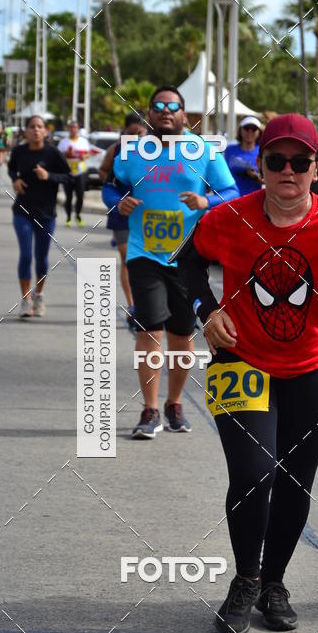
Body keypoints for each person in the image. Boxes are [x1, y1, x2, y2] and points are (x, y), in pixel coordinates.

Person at [174, 113, 318, 633]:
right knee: (252, 475)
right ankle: (245, 579)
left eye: (299, 161)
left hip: (314, 369)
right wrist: (207, 311)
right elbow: (184, 264)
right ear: (260, 167)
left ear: (315, 168)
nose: (288, 170)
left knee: (294, 482)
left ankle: (274, 583)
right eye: (276, 161)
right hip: (241, 364)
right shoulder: (229, 216)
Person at [108, 85, 239, 438]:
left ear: (184, 115)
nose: (166, 111)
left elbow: (231, 192)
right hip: (143, 252)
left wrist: (204, 201)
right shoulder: (133, 150)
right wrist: (118, 202)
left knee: (182, 336)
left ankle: (174, 403)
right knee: (150, 329)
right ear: (149, 114)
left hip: (187, 257)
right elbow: (111, 186)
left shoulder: (203, 151)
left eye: (173, 106)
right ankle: (149, 410)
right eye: (158, 106)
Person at [8, 115, 71, 318]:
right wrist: (15, 180)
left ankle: (39, 295)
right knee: (26, 255)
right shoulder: (19, 151)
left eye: (39, 127)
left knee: (41, 257)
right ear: (25, 131)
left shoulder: (53, 154)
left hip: (46, 214)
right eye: (32, 127)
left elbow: (70, 178)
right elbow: (11, 167)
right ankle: (26, 300)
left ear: (45, 131)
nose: (36, 130)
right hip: (22, 212)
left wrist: (49, 176)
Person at [99, 112, 148, 326]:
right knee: (128, 259)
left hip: (147, 212)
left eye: (141, 133)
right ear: (125, 131)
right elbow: (103, 173)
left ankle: (148, 303)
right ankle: (133, 305)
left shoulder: (154, 151)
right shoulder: (116, 149)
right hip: (121, 212)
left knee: (146, 260)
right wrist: (117, 192)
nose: (136, 137)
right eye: (132, 133)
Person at [58, 120, 91, 227]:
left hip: (80, 172)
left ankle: (77, 214)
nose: (73, 129)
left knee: (80, 196)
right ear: (68, 129)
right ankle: (68, 217)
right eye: (71, 127)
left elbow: (88, 154)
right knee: (68, 197)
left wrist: (83, 157)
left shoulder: (83, 141)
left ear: (78, 129)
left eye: (75, 127)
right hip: (68, 173)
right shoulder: (63, 142)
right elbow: (58, 156)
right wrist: (66, 154)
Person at [224, 116, 264, 197]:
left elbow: (268, 180)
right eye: (246, 128)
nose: (250, 131)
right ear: (240, 130)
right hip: (231, 199)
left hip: (253, 200)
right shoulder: (229, 150)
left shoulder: (263, 151)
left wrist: (256, 178)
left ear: (259, 132)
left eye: (253, 129)